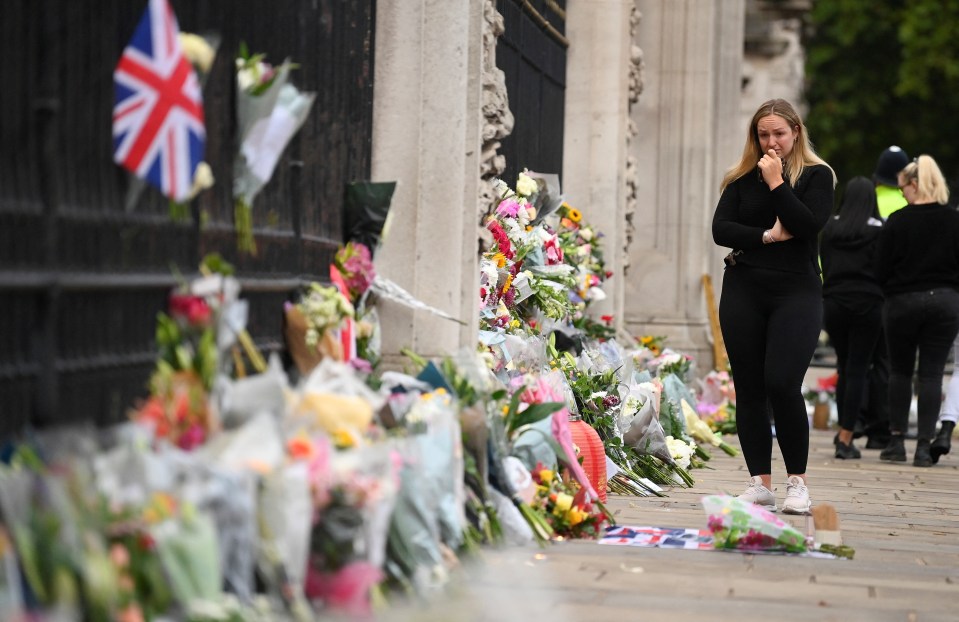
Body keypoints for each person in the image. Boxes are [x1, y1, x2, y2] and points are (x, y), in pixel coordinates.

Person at [712, 98, 836, 513]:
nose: (771, 141)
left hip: (796, 291)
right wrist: (766, 236)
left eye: (778, 133)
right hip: (744, 288)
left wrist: (777, 183)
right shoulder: (740, 178)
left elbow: (805, 225)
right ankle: (759, 482)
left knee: (782, 382)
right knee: (748, 387)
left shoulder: (818, 177)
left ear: (796, 132)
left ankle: (797, 483)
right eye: (763, 134)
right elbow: (721, 229)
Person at [876, 155, 959, 467]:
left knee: (899, 371)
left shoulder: (897, 221)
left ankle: (896, 440)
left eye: (902, 189)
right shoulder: (953, 219)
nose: (901, 194)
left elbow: (880, 268)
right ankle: (924, 446)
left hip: (902, 302)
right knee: (932, 373)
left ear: (914, 184)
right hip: (945, 302)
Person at [820, 176, 884, 459]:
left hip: (834, 303)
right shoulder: (879, 230)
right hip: (868, 304)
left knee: (844, 367)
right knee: (859, 368)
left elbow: (824, 262)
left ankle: (843, 429)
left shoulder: (831, 227)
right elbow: (885, 267)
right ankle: (846, 435)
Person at [856, 146, 910, 448]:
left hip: (858, 292)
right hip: (891, 294)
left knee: (857, 362)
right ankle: (881, 427)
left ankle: (856, 420)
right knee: (885, 363)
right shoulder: (905, 202)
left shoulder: (866, 200)